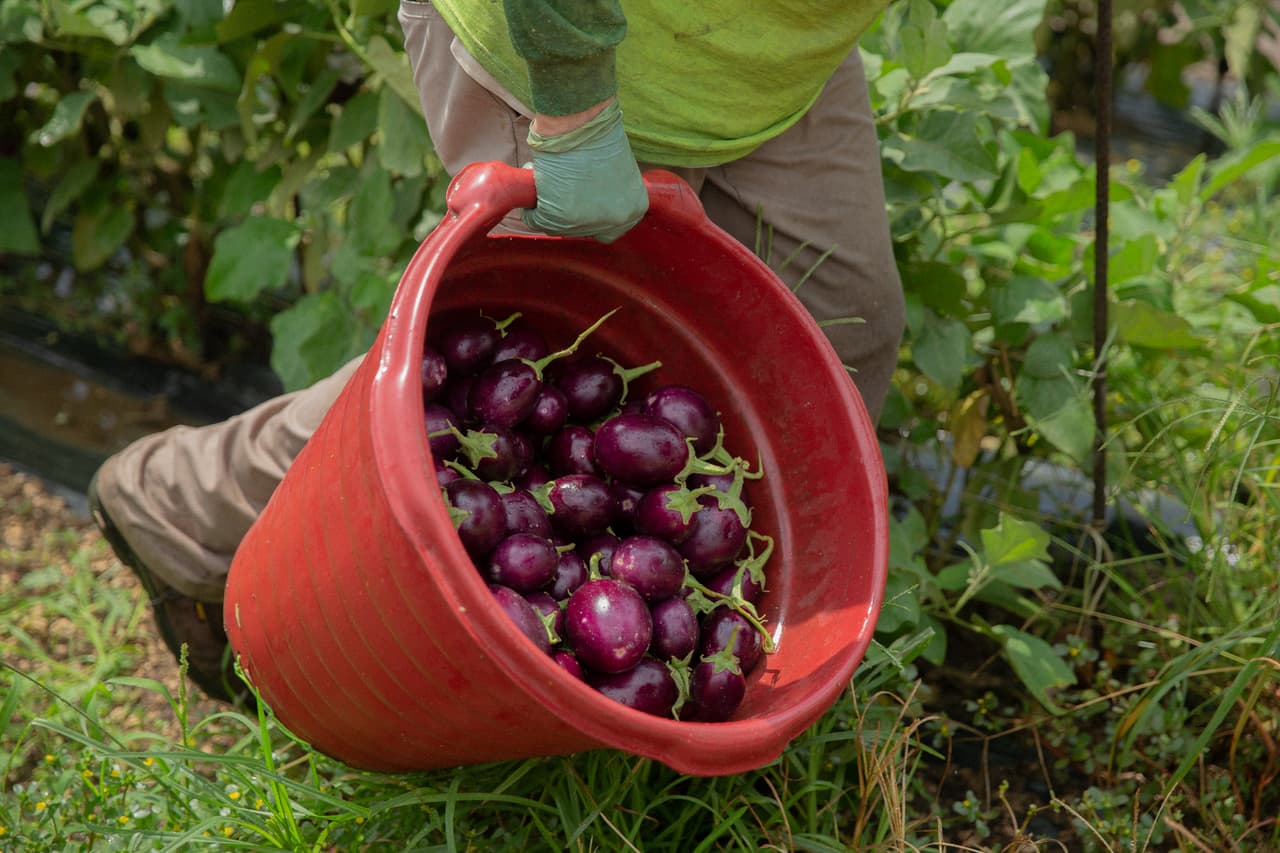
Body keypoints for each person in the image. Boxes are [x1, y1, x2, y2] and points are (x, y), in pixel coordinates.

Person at [89, 1, 905, 704]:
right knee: (501, 385)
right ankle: (178, 502)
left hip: (769, 65)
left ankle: (704, 672)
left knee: (840, 325)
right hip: (563, 55)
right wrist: (575, 107)